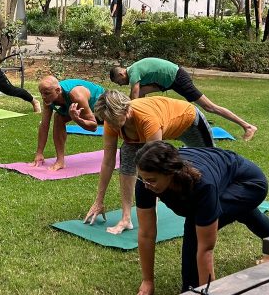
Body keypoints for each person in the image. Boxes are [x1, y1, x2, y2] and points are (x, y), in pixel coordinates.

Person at [131, 140, 269, 295]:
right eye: (143, 179)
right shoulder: (145, 181)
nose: (146, 185)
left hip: (249, 183)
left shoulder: (201, 186)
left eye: (152, 180)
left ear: (170, 173)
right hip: (222, 174)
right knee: (241, 211)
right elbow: (146, 233)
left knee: (196, 225)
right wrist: (147, 280)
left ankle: (191, 293)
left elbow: (205, 247)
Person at [84, 91, 214, 235]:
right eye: (109, 121)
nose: (113, 126)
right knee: (127, 157)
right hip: (149, 128)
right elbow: (108, 162)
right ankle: (126, 218)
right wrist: (99, 200)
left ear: (127, 110)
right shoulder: (112, 120)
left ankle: (213, 203)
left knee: (210, 162)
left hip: (188, 121)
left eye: (115, 121)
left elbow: (156, 167)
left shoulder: (147, 119)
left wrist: (151, 216)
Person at [110, 57, 257, 141]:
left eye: (119, 82)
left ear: (122, 74)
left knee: (209, 107)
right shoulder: (136, 71)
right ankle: (140, 123)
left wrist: (125, 114)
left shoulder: (133, 72)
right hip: (166, 82)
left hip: (177, 78)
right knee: (141, 94)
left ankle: (247, 126)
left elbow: (134, 98)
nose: (122, 84)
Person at [32, 76, 105, 171]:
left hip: (101, 103)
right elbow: (44, 125)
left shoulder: (76, 96)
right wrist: (39, 153)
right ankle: (60, 161)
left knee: (120, 126)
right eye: (41, 93)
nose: (43, 97)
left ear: (58, 90)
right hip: (71, 104)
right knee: (58, 117)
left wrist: (76, 119)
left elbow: (93, 127)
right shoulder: (48, 98)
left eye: (46, 93)